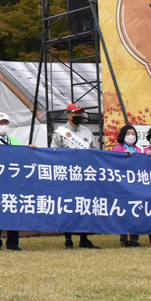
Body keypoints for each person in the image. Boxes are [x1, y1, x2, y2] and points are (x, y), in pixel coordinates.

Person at [0, 112, 34, 251]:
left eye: (5, 123)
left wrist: (31, 151)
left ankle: (13, 243)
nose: (3, 125)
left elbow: (22, 156)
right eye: (0, 123)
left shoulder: (14, 141)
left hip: (12, 182)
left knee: (13, 211)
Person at [50, 103, 100, 249]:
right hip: (67, 174)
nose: (78, 116)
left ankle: (84, 238)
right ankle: (68, 238)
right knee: (68, 206)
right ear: (68, 115)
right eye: (75, 113)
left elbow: (96, 152)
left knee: (84, 205)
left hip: (84, 174)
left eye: (80, 113)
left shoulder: (87, 132)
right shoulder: (60, 132)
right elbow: (53, 152)